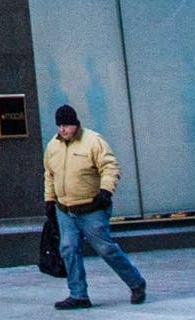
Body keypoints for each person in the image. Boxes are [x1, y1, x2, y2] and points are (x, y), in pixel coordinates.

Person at [44, 103, 146, 308]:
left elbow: (110, 166)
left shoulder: (93, 141)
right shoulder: (52, 146)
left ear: (75, 124)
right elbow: (49, 174)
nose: (62, 129)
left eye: (66, 125)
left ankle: (136, 283)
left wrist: (106, 191)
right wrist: (49, 199)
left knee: (106, 249)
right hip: (65, 209)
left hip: (91, 208)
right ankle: (78, 294)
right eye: (59, 125)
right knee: (68, 249)